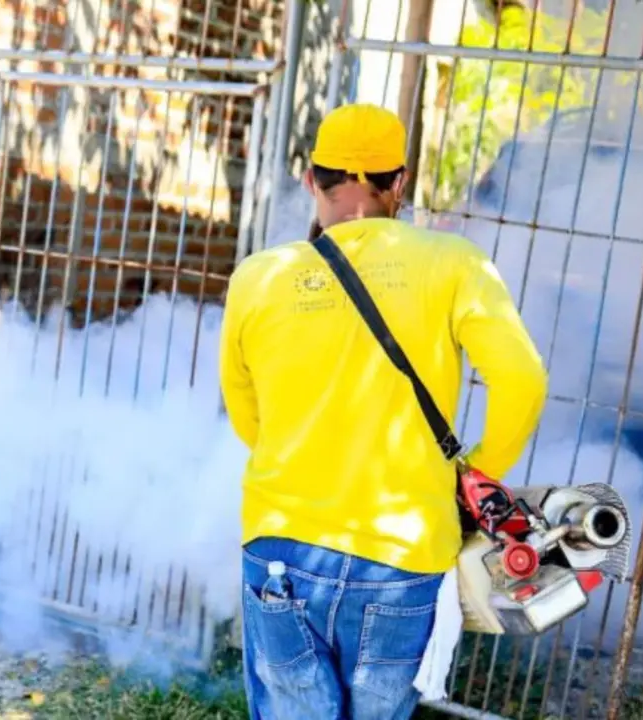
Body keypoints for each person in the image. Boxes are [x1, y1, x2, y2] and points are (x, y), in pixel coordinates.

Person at [219, 103, 548, 720]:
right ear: (400, 183)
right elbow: (523, 380)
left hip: (282, 547)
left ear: (312, 180)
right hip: (401, 558)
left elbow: (248, 418)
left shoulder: (257, 278)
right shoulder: (456, 263)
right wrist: (472, 471)